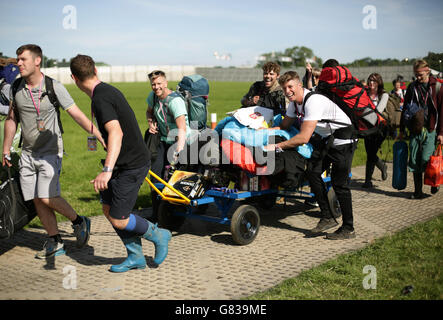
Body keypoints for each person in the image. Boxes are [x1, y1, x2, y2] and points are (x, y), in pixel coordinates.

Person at [70, 55, 172, 272]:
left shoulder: (101, 98)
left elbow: (116, 131)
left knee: (119, 218)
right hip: (120, 163)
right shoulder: (105, 91)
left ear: (73, 78)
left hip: (132, 164)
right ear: (95, 70)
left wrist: (106, 171)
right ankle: (135, 257)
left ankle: (159, 235)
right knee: (108, 209)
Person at [2, 44, 103, 259]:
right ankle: (55, 240)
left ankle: (78, 221)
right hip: (28, 153)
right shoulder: (16, 87)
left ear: (37, 61)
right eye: (17, 59)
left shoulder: (53, 87)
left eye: (23, 59)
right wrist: (5, 149)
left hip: (50, 152)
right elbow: (12, 119)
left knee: (46, 196)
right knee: (37, 199)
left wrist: (99, 135)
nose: (18, 63)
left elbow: (76, 113)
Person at [265, 70, 357, 240]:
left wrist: (276, 146)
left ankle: (348, 228)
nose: (287, 91)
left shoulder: (312, 101)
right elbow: (285, 126)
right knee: (313, 172)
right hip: (327, 139)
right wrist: (262, 130)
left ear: (300, 85)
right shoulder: (293, 103)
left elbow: (303, 138)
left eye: (291, 87)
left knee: (339, 184)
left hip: (344, 140)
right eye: (285, 88)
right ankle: (327, 217)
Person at [146, 70, 197, 216]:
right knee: (155, 175)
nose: (156, 87)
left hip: (180, 141)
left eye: (159, 84)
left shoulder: (175, 101)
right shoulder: (153, 97)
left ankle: (177, 214)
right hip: (163, 140)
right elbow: (149, 112)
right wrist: (151, 122)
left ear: (166, 83)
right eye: (153, 84)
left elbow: (182, 127)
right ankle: (157, 214)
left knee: (175, 179)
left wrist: (178, 150)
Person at [399, 59, 443, 199]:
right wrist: (401, 129)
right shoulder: (412, 87)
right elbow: (405, 108)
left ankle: (434, 183)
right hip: (415, 129)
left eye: (420, 75)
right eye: (416, 74)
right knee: (414, 161)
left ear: (427, 70)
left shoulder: (437, 87)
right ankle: (418, 191)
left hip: (430, 129)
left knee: (426, 159)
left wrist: (441, 132)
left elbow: (442, 111)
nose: (418, 78)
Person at [362, 73, 389, 188]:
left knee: (371, 152)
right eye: (369, 81)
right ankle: (381, 167)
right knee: (370, 153)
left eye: (374, 81)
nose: (371, 83)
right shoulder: (365, 94)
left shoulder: (384, 95)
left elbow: (378, 111)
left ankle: (368, 180)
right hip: (367, 128)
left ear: (379, 83)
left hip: (380, 129)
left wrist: (363, 112)